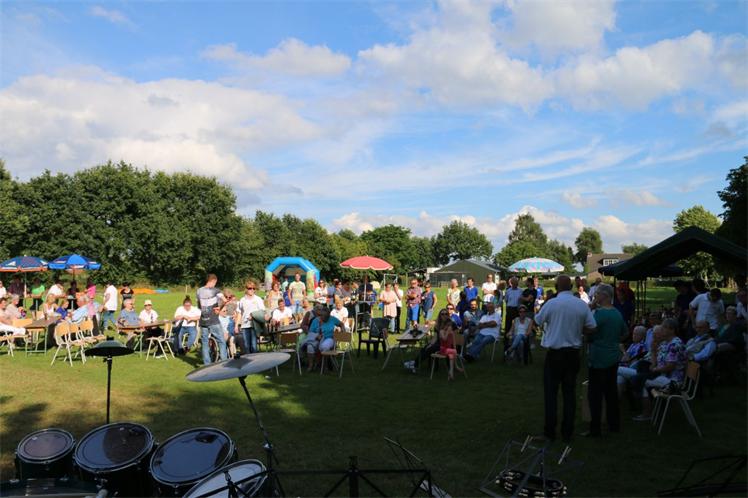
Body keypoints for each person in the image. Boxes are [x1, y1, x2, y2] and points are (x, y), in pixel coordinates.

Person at [534, 275, 597, 442]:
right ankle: (567, 432)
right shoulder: (581, 304)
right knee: (569, 393)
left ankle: (550, 432)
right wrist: (578, 329)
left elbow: (538, 320)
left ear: (556, 287)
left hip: (555, 353)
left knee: (551, 393)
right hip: (573, 354)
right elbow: (592, 327)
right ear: (571, 286)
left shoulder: (552, 303)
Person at [585, 283, 626, 437]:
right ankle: (614, 425)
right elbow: (624, 332)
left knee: (595, 394)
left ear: (604, 296)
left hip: (599, 357)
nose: (595, 296)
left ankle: (595, 428)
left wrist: (589, 310)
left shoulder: (600, 314)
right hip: (613, 356)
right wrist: (613, 341)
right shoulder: (617, 313)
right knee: (611, 392)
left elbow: (589, 329)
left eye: (597, 294)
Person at [633, 318, 686, 421]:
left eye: (664, 327)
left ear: (672, 330)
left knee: (639, 380)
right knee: (640, 373)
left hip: (672, 380)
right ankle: (648, 410)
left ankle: (647, 413)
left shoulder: (675, 344)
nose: (661, 329)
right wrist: (653, 351)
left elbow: (670, 367)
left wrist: (655, 370)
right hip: (662, 375)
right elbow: (655, 363)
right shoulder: (665, 343)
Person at [197, 274, 227, 365]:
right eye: (215, 282)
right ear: (213, 281)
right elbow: (225, 300)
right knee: (221, 341)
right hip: (213, 320)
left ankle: (207, 364)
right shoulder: (216, 290)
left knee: (205, 342)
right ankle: (224, 363)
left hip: (203, 320)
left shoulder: (199, 290)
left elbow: (199, 305)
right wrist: (219, 308)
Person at [302, 306, 342, 372]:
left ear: (328, 315)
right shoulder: (315, 320)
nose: (324, 318)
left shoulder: (332, 319)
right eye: (322, 316)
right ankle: (311, 365)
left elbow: (341, 324)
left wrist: (343, 331)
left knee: (324, 347)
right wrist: (317, 336)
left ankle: (324, 365)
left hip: (329, 338)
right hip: (317, 339)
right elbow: (310, 332)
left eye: (326, 316)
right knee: (310, 346)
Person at [235, 279, 265, 354]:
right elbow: (239, 313)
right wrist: (236, 326)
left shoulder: (258, 299)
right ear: (246, 289)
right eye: (250, 288)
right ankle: (248, 360)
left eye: (253, 288)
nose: (252, 290)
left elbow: (262, 311)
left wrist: (253, 316)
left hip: (254, 325)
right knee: (246, 346)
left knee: (254, 346)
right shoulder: (242, 300)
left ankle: (255, 360)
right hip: (245, 326)